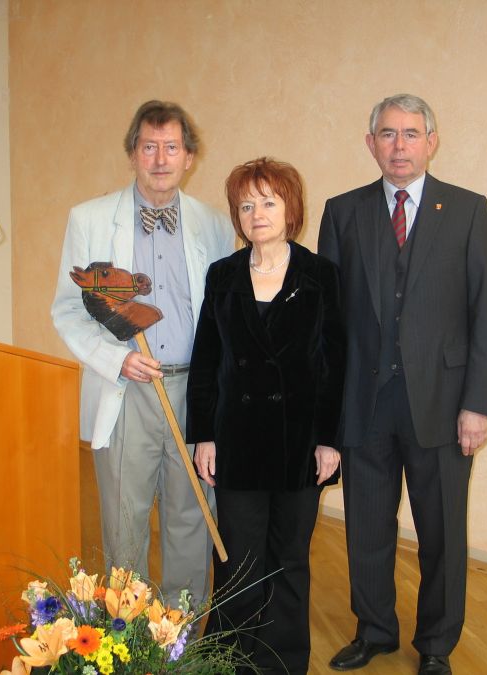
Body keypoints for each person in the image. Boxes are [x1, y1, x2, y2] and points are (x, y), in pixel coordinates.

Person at [318, 94, 487, 674]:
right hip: (364, 406)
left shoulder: (469, 211)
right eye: (389, 134)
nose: (400, 146)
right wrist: (325, 414)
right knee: (366, 530)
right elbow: (327, 324)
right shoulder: (343, 212)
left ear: (432, 141)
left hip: (444, 410)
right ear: (370, 143)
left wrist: (477, 404)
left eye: (411, 134)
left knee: (442, 535)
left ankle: (437, 646)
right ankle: (374, 630)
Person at [51, 100, 234, 606]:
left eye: (171, 147)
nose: (160, 159)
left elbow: (224, 320)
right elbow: (68, 311)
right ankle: (130, 641)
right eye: (149, 147)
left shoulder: (214, 226)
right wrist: (116, 358)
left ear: (189, 156)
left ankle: (181, 643)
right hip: (126, 389)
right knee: (125, 520)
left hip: (193, 392)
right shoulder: (88, 219)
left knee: (191, 519)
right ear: (132, 153)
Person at [186, 157, 345, 674]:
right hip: (237, 442)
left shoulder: (320, 275)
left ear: (290, 208)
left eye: (268, 202)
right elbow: (207, 359)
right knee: (236, 562)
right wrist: (203, 434)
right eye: (246, 204)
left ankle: (282, 664)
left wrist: (330, 440)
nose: (257, 213)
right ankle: (227, 663)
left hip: (300, 444)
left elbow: (333, 365)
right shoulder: (223, 275)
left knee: (290, 561)